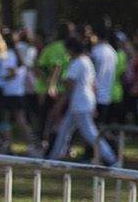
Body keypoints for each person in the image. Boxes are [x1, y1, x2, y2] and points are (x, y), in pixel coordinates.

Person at [48, 35, 116, 165]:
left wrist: (58, 105)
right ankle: (53, 158)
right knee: (64, 131)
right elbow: (93, 85)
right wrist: (94, 104)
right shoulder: (87, 61)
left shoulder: (77, 63)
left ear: (72, 49)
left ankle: (111, 158)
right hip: (83, 102)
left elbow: (69, 88)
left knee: (90, 134)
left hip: (80, 104)